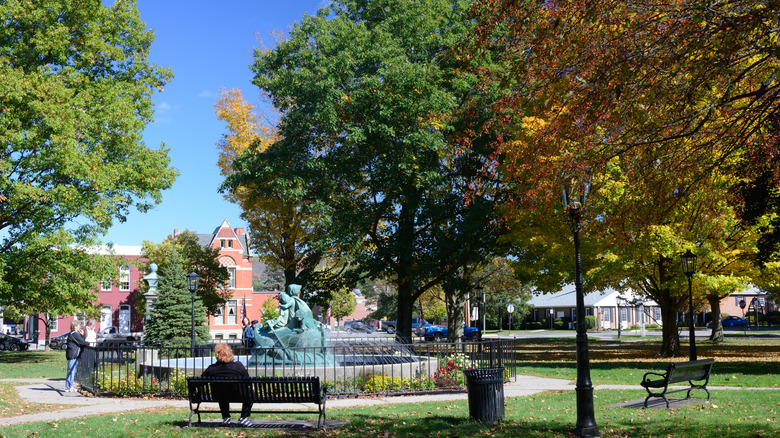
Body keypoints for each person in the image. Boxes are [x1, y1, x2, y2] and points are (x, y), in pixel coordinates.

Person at [201, 343, 256, 427]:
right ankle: (243, 417)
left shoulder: (211, 369)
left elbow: (200, 382)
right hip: (239, 395)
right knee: (250, 393)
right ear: (230, 353)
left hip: (219, 396)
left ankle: (226, 417)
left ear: (217, 355)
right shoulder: (238, 366)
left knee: (222, 393)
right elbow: (247, 381)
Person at [65, 320, 89, 392]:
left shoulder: (75, 333)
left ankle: (69, 386)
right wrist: (87, 343)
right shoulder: (74, 333)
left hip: (74, 354)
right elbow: (82, 342)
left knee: (72, 370)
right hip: (73, 354)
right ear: (75, 326)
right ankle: (69, 387)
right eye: (78, 325)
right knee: (71, 371)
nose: (79, 327)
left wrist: (82, 335)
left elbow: (81, 341)